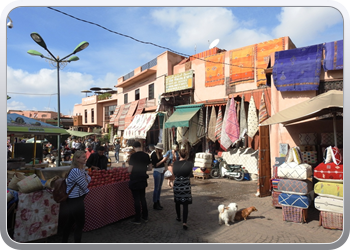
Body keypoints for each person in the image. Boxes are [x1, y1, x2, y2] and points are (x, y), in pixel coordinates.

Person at [62, 150, 91, 243]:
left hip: (76, 199)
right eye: (83, 157)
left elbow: (88, 178)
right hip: (75, 200)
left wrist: (86, 179)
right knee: (80, 223)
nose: (85, 158)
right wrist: (86, 179)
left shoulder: (81, 169)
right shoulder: (75, 171)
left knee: (71, 221)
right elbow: (85, 184)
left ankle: (64, 241)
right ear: (77, 159)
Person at [127, 141, 152, 224]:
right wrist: (144, 169)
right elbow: (150, 168)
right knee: (143, 198)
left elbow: (130, 169)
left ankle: (137, 218)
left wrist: (127, 169)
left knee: (136, 199)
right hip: (143, 178)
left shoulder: (133, 156)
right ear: (140, 146)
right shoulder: (146, 155)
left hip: (135, 179)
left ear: (134, 147)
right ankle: (145, 216)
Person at [170, 149, 193, 230]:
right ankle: (184, 222)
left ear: (179, 154)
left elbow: (174, 174)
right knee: (185, 204)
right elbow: (190, 174)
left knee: (177, 201)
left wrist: (170, 182)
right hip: (186, 185)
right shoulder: (190, 164)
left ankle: (178, 217)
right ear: (186, 155)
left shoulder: (175, 164)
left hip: (177, 184)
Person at [150, 142, 168, 210]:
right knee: (156, 188)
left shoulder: (161, 154)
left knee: (159, 188)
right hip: (157, 172)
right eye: (161, 149)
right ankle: (155, 202)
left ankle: (158, 201)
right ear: (158, 149)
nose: (162, 150)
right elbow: (155, 165)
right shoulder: (154, 154)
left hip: (162, 172)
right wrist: (163, 160)